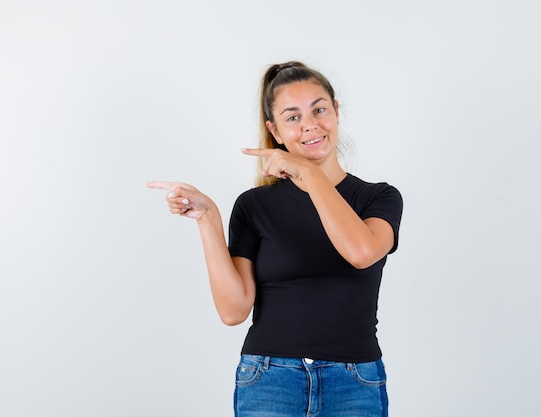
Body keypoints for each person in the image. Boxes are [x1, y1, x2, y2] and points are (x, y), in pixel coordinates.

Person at [147, 61, 403, 417]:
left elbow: (361, 253)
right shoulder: (254, 206)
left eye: (319, 109)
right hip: (269, 380)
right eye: (293, 117)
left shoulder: (378, 198)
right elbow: (233, 311)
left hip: (354, 381)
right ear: (275, 131)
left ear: (336, 112)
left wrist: (309, 174)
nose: (310, 124)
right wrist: (208, 219)